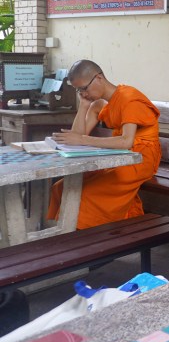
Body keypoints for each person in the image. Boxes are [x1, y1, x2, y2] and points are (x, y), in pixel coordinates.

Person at [47, 60, 161, 229]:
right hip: (116, 155)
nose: (83, 93)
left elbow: (126, 141)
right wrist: (84, 106)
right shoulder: (99, 104)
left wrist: (83, 140)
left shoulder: (130, 99)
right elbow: (78, 137)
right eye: (79, 90)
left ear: (98, 78)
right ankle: (71, 239)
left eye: (84, 88)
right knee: (61, 187)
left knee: (85, 196)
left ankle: (87, 245)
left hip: (140, 158)